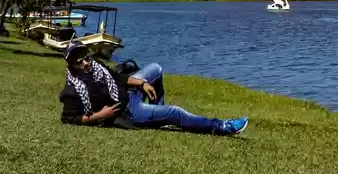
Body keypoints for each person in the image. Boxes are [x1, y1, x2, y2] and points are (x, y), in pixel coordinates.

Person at [59, 43, 248, 135]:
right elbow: (69, 118)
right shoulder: (73, 89)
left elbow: (119, 78)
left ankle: (159, 112)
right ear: (72, 66)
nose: (86, 63)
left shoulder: (97, 67)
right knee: (176, 112)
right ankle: (222, 127)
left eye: (87, 57)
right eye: (80, 61)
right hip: (129, 112)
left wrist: (141, 83)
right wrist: (102, 115)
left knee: (155, 68)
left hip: (129, 95)